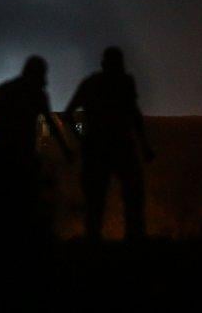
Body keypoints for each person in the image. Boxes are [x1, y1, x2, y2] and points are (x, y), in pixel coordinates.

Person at [65, 46, 155, 242]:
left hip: (98, 148)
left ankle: (95, 240)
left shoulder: (91, 83)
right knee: (131, 195)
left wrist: (82, 138)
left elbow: (68, 113)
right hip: (121, 146)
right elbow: (134, 115)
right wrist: (144, 146)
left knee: (96, 200)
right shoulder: (124, 82)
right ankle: (133, 238)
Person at [0, 55, 72, 242]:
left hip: (2, 157)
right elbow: (51, 124)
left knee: (0, 205)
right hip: (24, 159)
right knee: (25, 205)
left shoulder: (3, 89)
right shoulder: (37, 94)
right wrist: (66, 149)